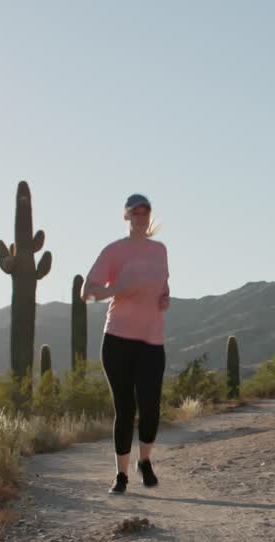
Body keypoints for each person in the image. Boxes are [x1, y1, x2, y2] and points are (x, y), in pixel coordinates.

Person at [82, 193, 171, 494]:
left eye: (145, 212)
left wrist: (164, 296)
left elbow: (163, 284)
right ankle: (121, 475)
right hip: (118, 339)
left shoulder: (160, 250)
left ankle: (144, 461)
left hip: (152, 339)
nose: (141, 216)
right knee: (125, 407)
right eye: (136, 212)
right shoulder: (114, 251)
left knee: (150, 407)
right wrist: (117, 288)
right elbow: (87, 292)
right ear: (126, 216)